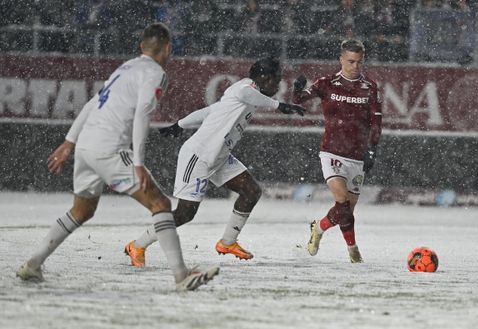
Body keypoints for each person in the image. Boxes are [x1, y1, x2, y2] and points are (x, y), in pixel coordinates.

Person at [16, 23, 219, 291]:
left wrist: (69, 142)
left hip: (87, 145)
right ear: (168, 47)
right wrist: (138, 164)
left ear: (141, 47)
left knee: (82, 210)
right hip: (110, 147)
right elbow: (143, 112)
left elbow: (91, 103)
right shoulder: (155, 73)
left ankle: (32, 265)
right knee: (159, 203)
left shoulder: (125, 68)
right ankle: (181, 276)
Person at [124, 57, 305, 267]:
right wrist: (279, 105)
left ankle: (228, 242)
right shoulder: (245, 87)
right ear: (264, 77)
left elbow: (210, 111)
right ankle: (137, 244)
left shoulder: (244, 97)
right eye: (276, 80)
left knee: (251, 191)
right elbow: (247, 93)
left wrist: (180, 124)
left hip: (219, 157)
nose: (278, 85)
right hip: (198, 156)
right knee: (185, 213)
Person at [292, 39, 382, 263]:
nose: (355, 67)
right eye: (350, 61)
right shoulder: (326, 83)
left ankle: (319, 229)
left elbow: (376, 122)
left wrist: (372, 149)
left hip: (357, 156)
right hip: (331, 152)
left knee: (346, 212)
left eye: (359, 62)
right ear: (341, 59)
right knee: (341, 200)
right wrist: (296, 89)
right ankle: (353, 251)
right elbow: (300, 100)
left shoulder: (370, 87)